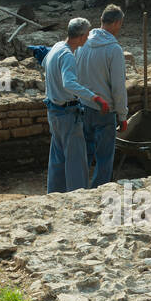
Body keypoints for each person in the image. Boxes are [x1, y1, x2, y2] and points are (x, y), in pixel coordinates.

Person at [41, 18, 102, 193]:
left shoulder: (57, 47)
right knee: (76, 160)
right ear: (82, 36)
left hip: (54, 111)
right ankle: (79, 196)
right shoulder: (67, 55)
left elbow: (45, 64)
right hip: (68, 113)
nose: (89, 37)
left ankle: (54, 194)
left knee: (58, 157)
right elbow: (69, 83)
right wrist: (94, 97)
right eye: (88, 34)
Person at [74, 4, 128, 187]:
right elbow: (118, 88)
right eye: (120, 24)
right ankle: (99, 191)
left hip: (83, 106)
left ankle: (78, 187)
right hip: (104, 111)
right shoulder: (114, 50)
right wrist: (122, 115)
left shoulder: (84, 42)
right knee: (105, 157)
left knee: (85, 153)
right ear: (117, 23)